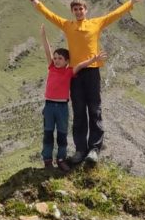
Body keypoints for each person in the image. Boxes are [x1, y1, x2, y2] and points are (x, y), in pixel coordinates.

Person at [23, 0, 145, 164]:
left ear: (86, 10)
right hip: (75, 74)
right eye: (75, 9)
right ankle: (80, 150)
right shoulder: (67, 25)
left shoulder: (96, 23)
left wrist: (132, 1)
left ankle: (94, 149)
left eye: (81, 8)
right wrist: (34, 0)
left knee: (94, 110)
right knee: (79, 112)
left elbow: (115, 14)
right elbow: (49, 15)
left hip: (93, 71)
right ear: (72, 11)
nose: (79, 11)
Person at [38, 23, 105, 171]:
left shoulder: (69, 71)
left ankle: (61, 159)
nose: (56, 60)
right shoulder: (51, 67)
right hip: (49, 106)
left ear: (67, 61)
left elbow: (81, 65)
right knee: (48, 133)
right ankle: (47, 160)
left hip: (62, 107)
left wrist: (94, 60)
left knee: (62, 134)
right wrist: (44, 36)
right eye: (55, 58)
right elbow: (47, 50)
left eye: (60, 58)